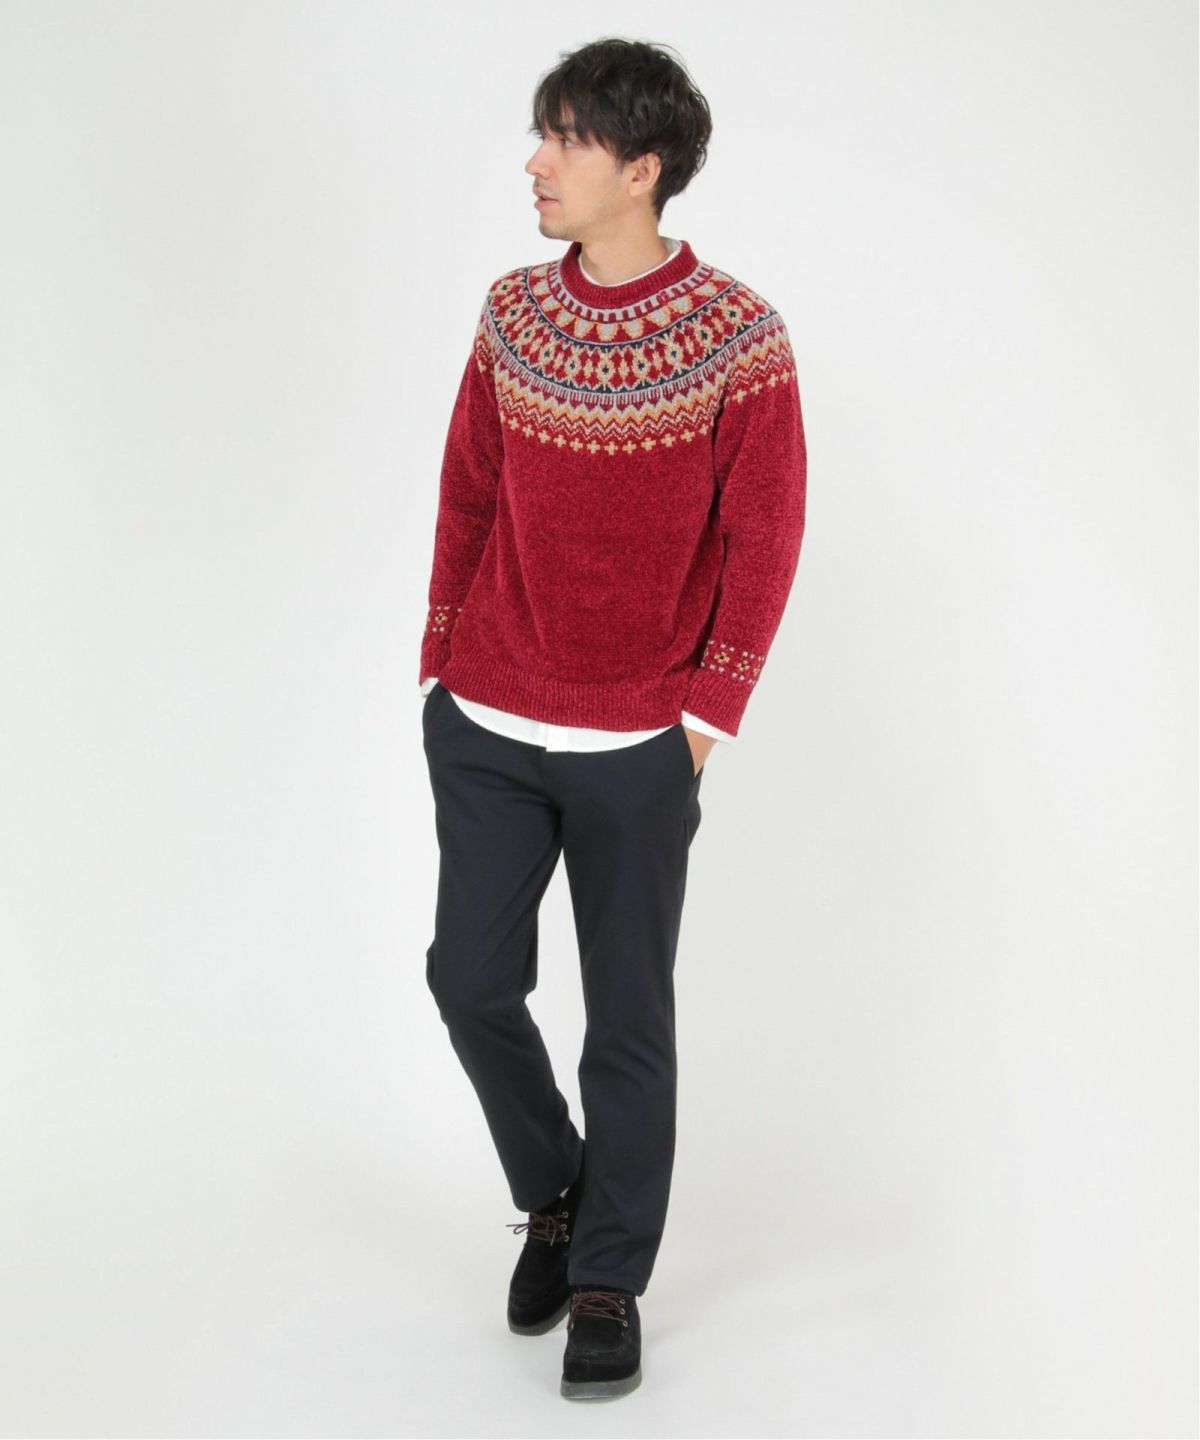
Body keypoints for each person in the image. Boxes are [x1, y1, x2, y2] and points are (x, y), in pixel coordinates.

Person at [418, 35, 807, 1402]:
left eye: (567, 137)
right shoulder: (511, 313)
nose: (536, 161)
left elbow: (765, 534)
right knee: (469, 981)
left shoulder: (739, 336)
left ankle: (607, 1280)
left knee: (627, 1023)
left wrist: (706, 717)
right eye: (543, 133)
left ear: (641, 169)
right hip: (488, 717)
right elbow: (468, 488)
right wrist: (441, 659)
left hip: (642, 736)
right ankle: (556, 1196)